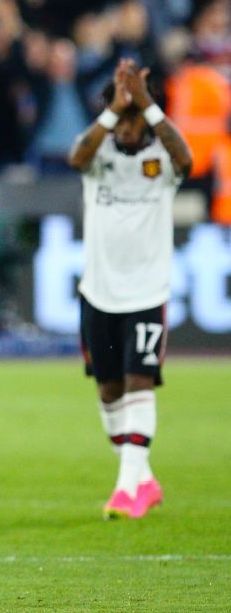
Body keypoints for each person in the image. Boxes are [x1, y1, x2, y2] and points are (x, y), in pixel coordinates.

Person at [67, 58, 192, 520]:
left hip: (145, 292)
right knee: (109, 393)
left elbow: (188, 160)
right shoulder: (97, 156)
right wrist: (116, 109)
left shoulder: (162, 157)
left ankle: (126, 490)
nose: (126, 126)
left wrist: (148, 106)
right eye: (120, 117)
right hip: (98, 293)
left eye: (132, 116)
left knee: (141, 382)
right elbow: (75, 156)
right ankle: (141, 477)